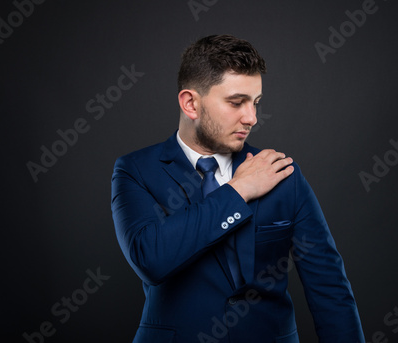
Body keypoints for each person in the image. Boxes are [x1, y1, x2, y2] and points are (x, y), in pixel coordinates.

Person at [111, 34, 365, 343]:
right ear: (191, 103)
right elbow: (150, 259)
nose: (252, 118)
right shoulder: (136, 170)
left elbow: (329, 287)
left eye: (256, 103)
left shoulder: (281, 173)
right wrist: (238, 190)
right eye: (236, 102)